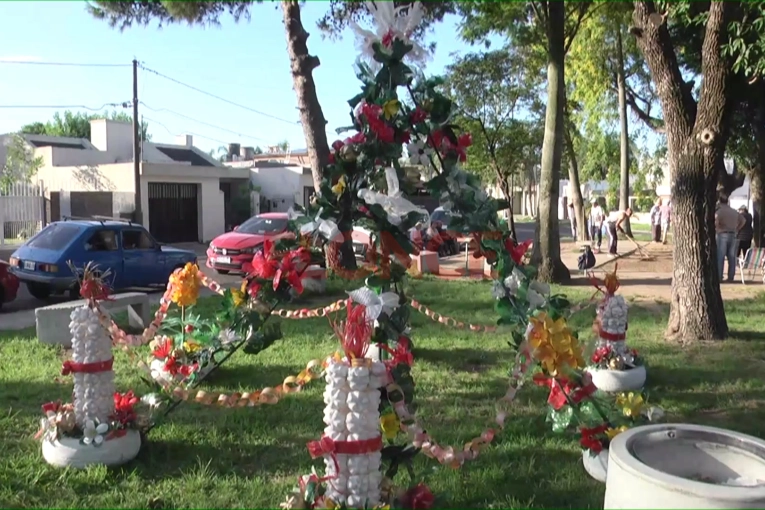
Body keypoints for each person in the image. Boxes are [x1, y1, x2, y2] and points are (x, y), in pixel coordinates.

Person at [715, 195, 745, 283]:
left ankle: (719, 276)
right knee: (732, 257)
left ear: (720, 202)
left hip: (722, 234)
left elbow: (715, 220)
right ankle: (731, 276)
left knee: (720, 256)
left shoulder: (719, 212)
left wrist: (717, 229)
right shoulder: (734, 211)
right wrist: (737, 228)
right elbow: (743, 220)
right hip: (733, 234)